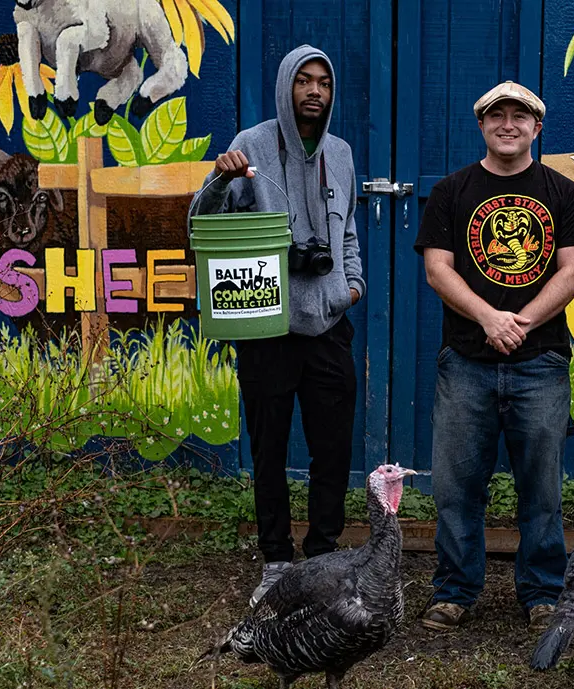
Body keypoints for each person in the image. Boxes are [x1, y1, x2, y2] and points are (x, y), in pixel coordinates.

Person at [414, 81, 574, 633]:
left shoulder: (564, 194)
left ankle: (542, 594)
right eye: (497, 116)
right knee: (455, 486)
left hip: (540, 362)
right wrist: (489, 319)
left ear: (537, 128)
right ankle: (455, 592)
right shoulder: (452, 192)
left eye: (520, 116)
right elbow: (437, 269)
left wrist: (522, 322)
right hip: (466, 361)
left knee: (541, 487)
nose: (508, 124)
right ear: (482, 125)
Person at [189, 45, 364, 607]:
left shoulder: (340, 151)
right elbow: (200, 224)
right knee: (269, 448)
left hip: (329, 325)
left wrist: (351, 286)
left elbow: (350, 234)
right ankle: (276, 560)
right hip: (265, 326)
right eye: (304, 82)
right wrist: (219, 179)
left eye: (324, 84)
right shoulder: (250, 145)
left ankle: (324, 556)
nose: (315, 92)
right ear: (286, 86)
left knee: (333, 449)